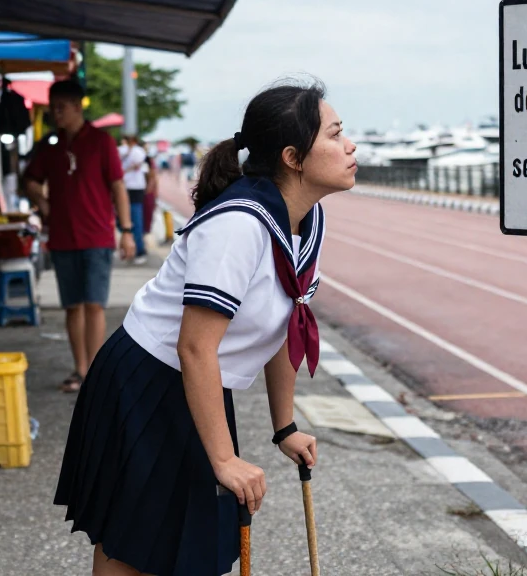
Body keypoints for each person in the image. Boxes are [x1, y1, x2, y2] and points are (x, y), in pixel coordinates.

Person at [54, 79, 358, 576]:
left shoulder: (306, 220)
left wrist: (285, 427)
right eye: (335, 134)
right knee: (136, 546)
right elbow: (194, 347)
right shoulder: (238, 224)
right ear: (292, 157)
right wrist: (224, 458)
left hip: (198, 386)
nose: (349, 146)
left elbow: (288, 317)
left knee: (192, 544)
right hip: (147, 383)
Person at [22, 80, 136, 393]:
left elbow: (118, 187)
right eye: (52, 107)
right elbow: (29, 180)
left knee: (94, 305)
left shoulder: (101, 142)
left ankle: (95, 373)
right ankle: (80, 369)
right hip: (61, 236)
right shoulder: (50, 145)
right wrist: (42, 201)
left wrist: (127, 231)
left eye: (60, 107)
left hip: (97, 235)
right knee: (72, 306)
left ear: (76, 107)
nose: (55, 113)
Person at [117, 135, 149, 265]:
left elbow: (137, 164)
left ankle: (139, 249)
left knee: (136, 220)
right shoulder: (122, 150)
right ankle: (130, 247)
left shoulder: (138, 151)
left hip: (136, 189)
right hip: (123, 187)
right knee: (121, 219)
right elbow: (117, 159)